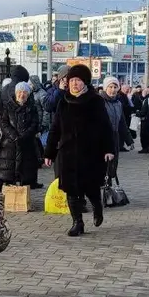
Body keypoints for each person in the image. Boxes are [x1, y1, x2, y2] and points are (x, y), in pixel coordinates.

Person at [43, 63, 114, 237]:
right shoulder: (63, 102)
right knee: (70, 189)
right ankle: (77, 222)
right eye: (72, 80)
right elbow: (55, 129)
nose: (74, 84)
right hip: (67, 153)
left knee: (90, 188)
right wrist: (49, 153)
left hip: (90, 153)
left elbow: (106, 127)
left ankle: (97, 208)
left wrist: (108, 149)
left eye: (78, 80)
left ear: (85, 82)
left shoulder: (95, 101)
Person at [0, 81, 41, 188]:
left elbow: (35, 124)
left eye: (25, 92)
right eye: (19, 92)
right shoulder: (8, 106)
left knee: (26, 173)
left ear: (28, 94)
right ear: (16, 93)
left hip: (27, 144)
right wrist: (14, 136)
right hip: (9, 144)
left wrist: (25, 136)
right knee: (8, 174)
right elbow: (4, 123)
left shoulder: (32, 108)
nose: (22, 95)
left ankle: (23, 194)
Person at [101, 76, 135, 185]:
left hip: (115, 137)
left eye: (115, 87)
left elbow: (122, 124)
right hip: (102, 138)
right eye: (110, 87)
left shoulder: (118, 104)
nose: (113, 89)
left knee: (112, 165)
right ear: (105, 88)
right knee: (102, 165)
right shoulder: (99, 102)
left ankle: (108, 188)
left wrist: (129, 140)